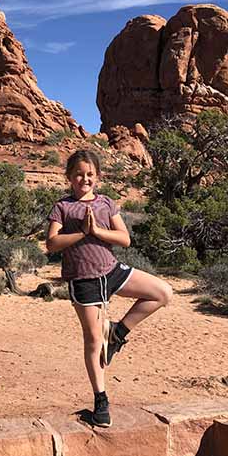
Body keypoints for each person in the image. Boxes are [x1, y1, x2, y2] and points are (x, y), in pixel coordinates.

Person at [46, 149, 172, 428]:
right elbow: (51, 244)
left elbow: (124, 239)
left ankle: (118, 332)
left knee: (162, 293)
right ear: (69, 177)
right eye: (79, 174)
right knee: (93, 341)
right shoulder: (62, 207)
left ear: (98, 177)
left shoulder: (106, 203)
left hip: (112, 272)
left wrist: (97, 232)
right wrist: (81, 232)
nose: (84, 179)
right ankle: (100, 400)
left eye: (90, 174)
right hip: (83, 280)